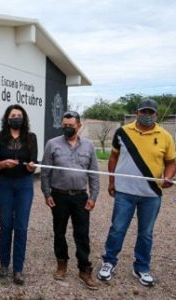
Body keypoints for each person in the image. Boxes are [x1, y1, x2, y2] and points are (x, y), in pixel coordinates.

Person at [97, 98, 176, 287]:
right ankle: (109, 262)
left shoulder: (165, 136)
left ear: (156, 115)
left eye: (150, 113)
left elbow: (172, 162)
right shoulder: (122, 132)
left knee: (146, 233)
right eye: (143, 112)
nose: (147, 116)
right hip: (124, 192)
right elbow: (113, 157)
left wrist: (168, 177)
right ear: (137, 112)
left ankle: (141, 267)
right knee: (117, 229)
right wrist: (112, 181)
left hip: (151, 194)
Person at [41, 111, 100, 290]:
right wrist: (47, 193)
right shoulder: (52, 144)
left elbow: (94, 174)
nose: (67, 128)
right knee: (59, 232)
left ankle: (84, 269)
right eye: (64, 125)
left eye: (71, 126)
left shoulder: (89, 146)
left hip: (81, 197)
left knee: (82, 234)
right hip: (59, 196)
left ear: (79, 126)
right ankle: (61, 263)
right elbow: (45, 172)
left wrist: (93, 197)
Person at [0, 104, 37, 285]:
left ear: (24, 118)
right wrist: (2, 164)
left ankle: (18, 269)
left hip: (24, 185)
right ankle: (4, 264)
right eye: (13, 115)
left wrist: (31, 167)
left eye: (19, 115)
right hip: (4, 185)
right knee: (6, 224)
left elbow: (33, 162)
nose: (16, 117)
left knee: (21, 226)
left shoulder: (31, 138)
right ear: (7, 118)